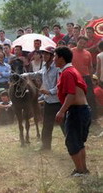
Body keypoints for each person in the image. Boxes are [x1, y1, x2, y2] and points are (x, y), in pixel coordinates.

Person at [54, 46, 91, 177]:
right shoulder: (73, 70)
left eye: (55, 57)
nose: (53, 59)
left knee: (72, 141)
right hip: (83, 110)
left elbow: (71, 94)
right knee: (78, 141)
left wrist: (62, 111)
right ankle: (82, 169)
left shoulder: (67, 73)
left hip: (77, 110)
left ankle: (80, 171)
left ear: (61, 59)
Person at [23, 46, 61, 151]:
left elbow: (60, 85)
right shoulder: (44, 67)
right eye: (43, 54)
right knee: (47, 125)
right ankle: (45, 146)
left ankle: (72, 146)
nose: (44, 56)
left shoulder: (57, 68)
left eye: (47, 54)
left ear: (52, 56)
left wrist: (49, 91)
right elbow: (36, 74)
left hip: (58, 101)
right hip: (48, 101)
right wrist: (23, 75)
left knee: (64, 125)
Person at [71, 36, 96, 120]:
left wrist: (91, 78)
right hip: (74, 78)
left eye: (84, 43)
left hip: (86, 77)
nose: (82, 45)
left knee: (89, 97)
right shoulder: (71, 52)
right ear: (77, 41)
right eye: (80, 42)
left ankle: (92, 117)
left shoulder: (87, 53)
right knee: (75, 97)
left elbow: (90, 67)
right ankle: (76, 117)